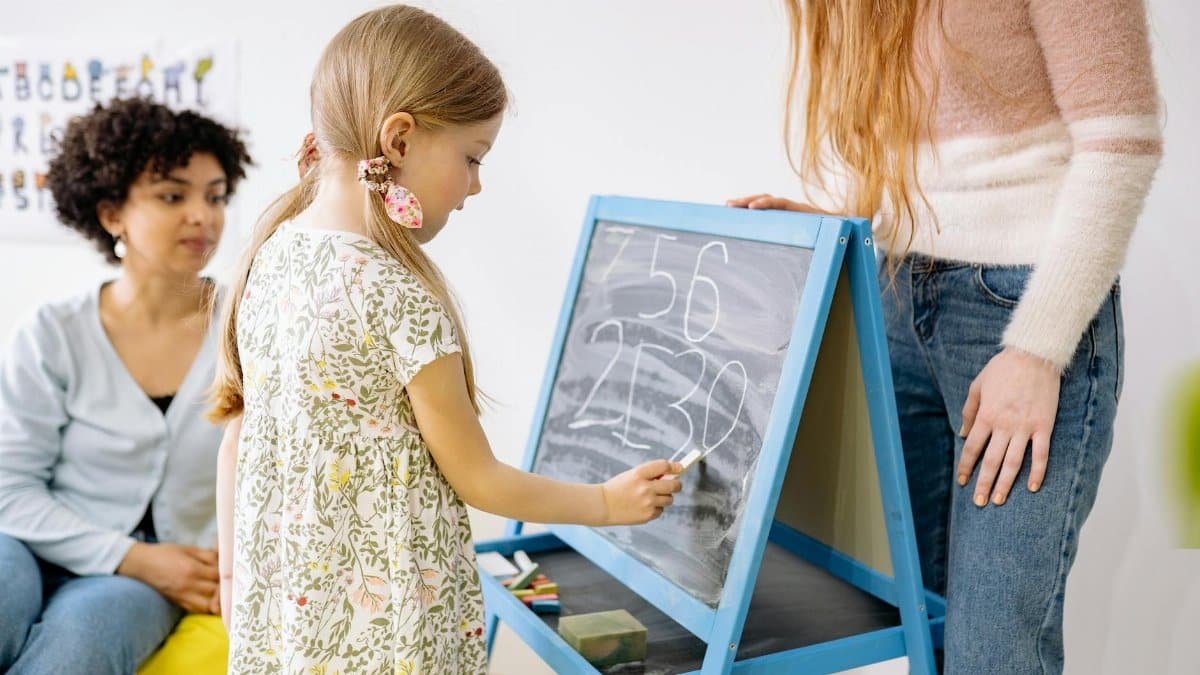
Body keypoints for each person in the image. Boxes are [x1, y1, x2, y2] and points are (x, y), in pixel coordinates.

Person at [208, 6, 684, 673]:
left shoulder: (269, 258)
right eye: (471, 157)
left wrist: (237, 590)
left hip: (290, 621)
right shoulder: (396, 299)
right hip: (388, 635)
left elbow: (237, 438)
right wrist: (605, 502)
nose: (476, 185)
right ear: (398, 140)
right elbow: (480, 478)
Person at [729, 1, 1161, 672]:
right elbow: (924, 134)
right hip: (897, 291)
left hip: (1024, 315)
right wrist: (846, 216)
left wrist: (1035, 349)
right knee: (912, 627)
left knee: (991, 655)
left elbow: (1122, 142)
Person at [0, 97, 251, 673]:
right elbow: (10, 488)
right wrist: (130, 556)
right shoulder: (51, 332)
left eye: (214, 196)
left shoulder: (247, 330)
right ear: (112, 213)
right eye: (172, 195)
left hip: (158, 575)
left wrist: (152, 568)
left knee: (79, 645)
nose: (203, 217)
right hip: (28, 544)